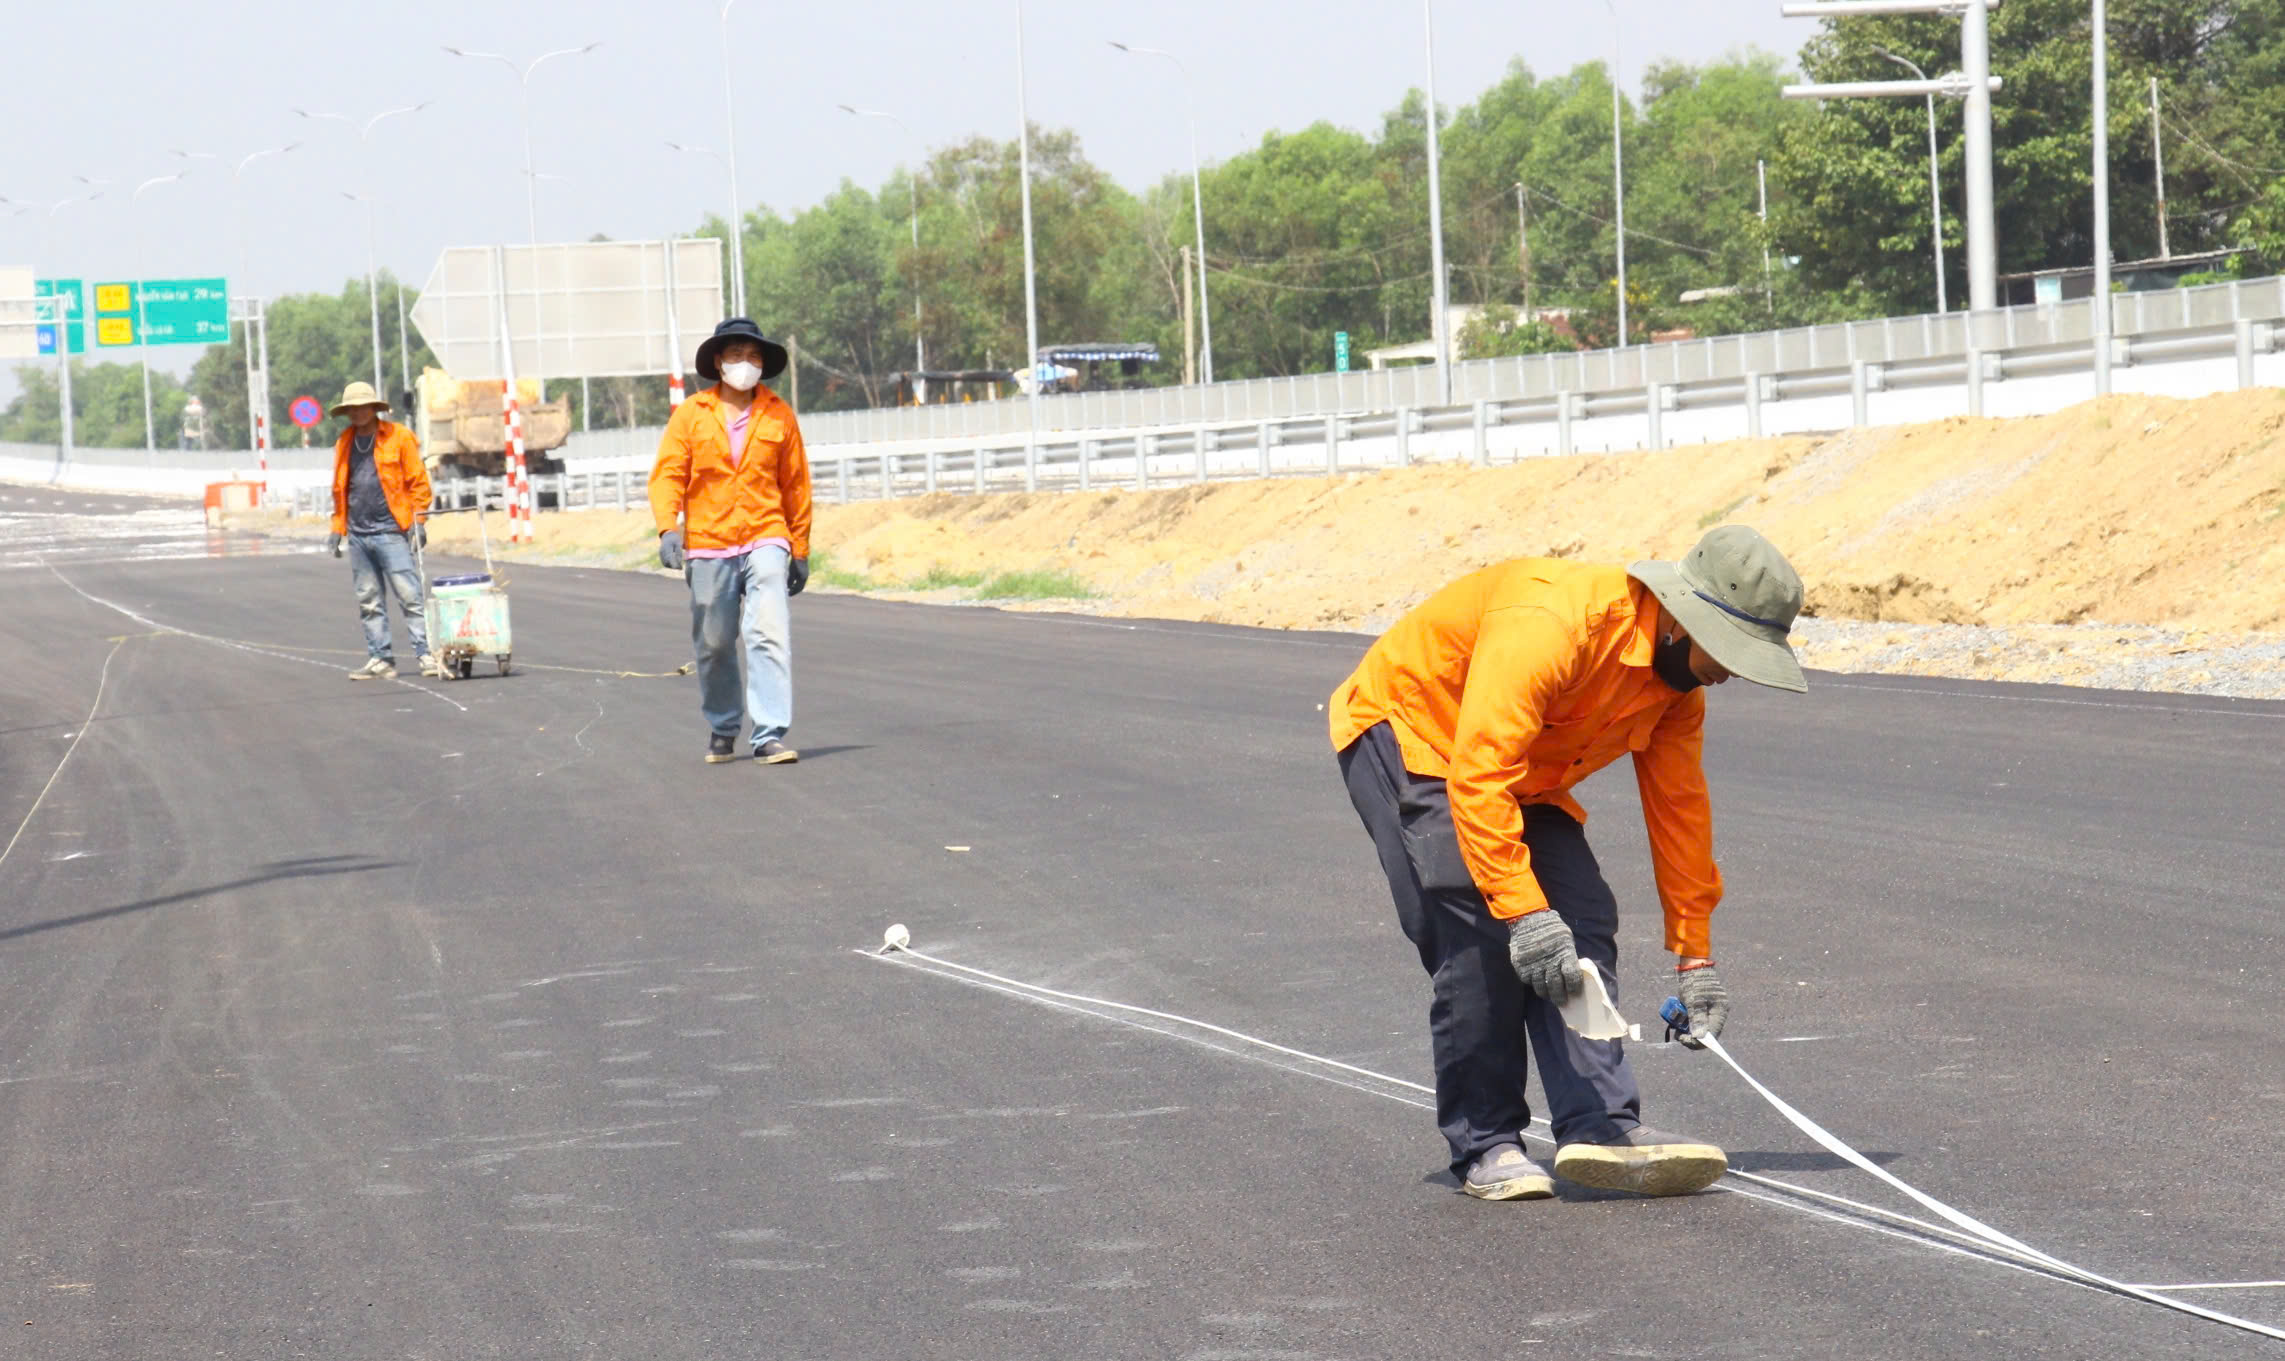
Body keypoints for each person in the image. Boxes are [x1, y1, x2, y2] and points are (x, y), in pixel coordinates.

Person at [1330, 525, 1808, 1202]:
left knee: (1581, 915)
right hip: (1416, 734)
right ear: (1680, 616)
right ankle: (1487, 1142)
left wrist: (1694, 957)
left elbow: (1680, 815)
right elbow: (1477, 772)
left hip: (1519, 772)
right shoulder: (1552, 624)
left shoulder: (1677, 694)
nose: (1729, 671)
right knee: (1475, 925)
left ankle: (1598, 1125)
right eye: (1728, 650)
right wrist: (1523, 912)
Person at [649, 318, 813, 764]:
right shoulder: (691, 415)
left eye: (754, 356)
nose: (747, 364)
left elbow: (795, 484)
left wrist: (799, 549)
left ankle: (769, 734)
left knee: (768, 635)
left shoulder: (779, 413)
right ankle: (723, 724)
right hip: (708, 542)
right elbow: (668, 475)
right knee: (715, 642)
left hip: (766, 534)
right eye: (737, 355)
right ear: (719, 362)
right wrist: (668, 528)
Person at [325, 381, 434, 680]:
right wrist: (338, 528)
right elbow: (340, 488)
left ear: (374, 408)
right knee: (369, 600)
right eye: (352, 408)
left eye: (363, 406)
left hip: (390, 530)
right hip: (358, 534)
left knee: (410, 596)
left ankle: (426, 654)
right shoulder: (345, 441)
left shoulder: (399, 436)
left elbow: (418, 482)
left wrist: (418, 522)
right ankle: (380, 658)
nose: (358, 412)